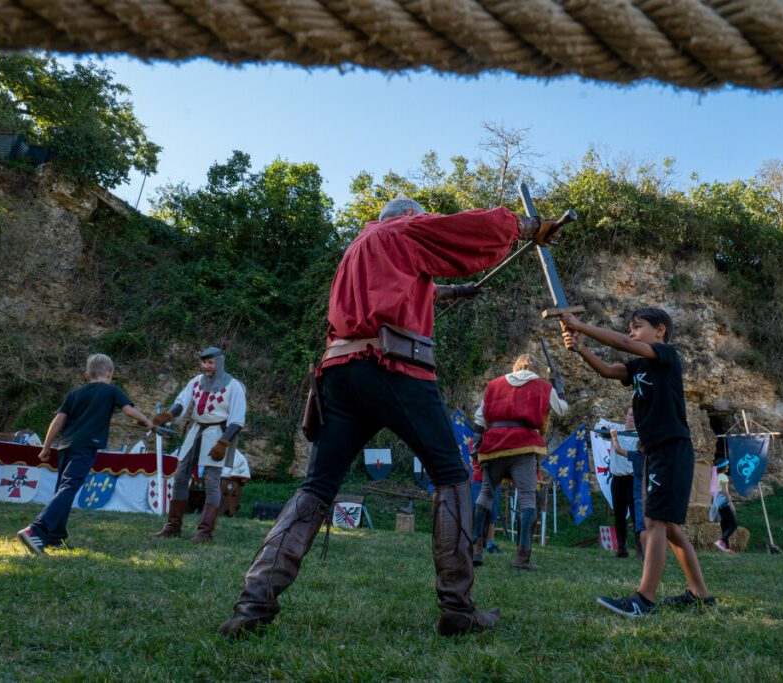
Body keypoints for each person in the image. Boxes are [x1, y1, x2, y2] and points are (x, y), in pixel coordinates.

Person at [219, 196, 564, 638]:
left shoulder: (359, 247)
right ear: (409, 217)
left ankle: (251, 608)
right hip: (392, 368)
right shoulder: (404, 230)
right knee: (451, 475)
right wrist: (529, 226)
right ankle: (458, 609)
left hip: (339, 372)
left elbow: (400, 289)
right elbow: (476, 228)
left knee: (316, 486)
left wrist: (453, 291)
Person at [562, 307, 715, 617]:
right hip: (656, 451)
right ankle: (700, 594)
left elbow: (622, 343)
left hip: (671, 448)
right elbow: (607, 370)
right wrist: (580, 348)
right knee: (668, 526)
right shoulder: (639, 367)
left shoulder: (667, 355)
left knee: (654, 520)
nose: (631, 332)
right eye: (629, 327)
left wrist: (582, 325)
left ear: (660, 330)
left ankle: (644, 598)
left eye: (638, 326)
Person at [16, 353, 155, 554]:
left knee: (62, 489)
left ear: (86, 374)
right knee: (70, 486)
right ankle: (36, 529)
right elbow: (129, 411)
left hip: (65, 446)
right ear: (110, 373)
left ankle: (55, 537)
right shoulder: (112, 391)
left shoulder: (74, 394)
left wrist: (46, 448)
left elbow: (58, 421)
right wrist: (147, 421)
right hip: (86, 446)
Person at [472, 352, 569, 570]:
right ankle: (522, 557)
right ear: (536, 368)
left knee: (486, 494)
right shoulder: (543, 386)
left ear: (516, 367)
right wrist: (559, 387)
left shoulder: (494, 385)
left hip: (494, 446)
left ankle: (475, 549)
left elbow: (480, 419)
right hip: (523, 446)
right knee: (527, 498)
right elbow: (562, 410)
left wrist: (477, 446)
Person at [150, 347, 246, 543]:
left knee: (212, 481)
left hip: (217, 434)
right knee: (180, 476)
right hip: (195, 432)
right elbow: (182, 403)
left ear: (219, 363)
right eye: (204, 362)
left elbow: (237, 420)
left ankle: (205, 532)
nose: (205, 366)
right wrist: (168, 415)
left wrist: (223, 443)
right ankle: (173, 526)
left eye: (210, 362)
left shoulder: (233, 386)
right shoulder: (196, 382)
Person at [607, 425, 637, 558]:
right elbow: (602, 426)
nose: (632, 417)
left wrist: (614, 437)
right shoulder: (618, 428)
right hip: (618, 479)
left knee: (637, 515)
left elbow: (619, 450)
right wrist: (612, 434)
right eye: (630, 414)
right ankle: (621, 548)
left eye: (634, 414)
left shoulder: (640, 432)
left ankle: (640, 549)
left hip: (632, 479)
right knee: (619, 514)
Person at [469, 457, 503, 556]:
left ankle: (490, 544)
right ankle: (473, 542)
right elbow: (475, 452)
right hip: (478, 477)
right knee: (475, 511)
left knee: (492, 512)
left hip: (495, 478)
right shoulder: (475, 440)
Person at [710, 459, 737, 554]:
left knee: (725, 527)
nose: (728, 467)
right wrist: (732, 504)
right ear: (723, 467)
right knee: (733, 525)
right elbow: (725, 492)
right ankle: (721, 541)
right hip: (724, 504)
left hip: (718, 505)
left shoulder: (716, 476)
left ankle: (727, 549)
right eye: (727, 465)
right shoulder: (724, 476)